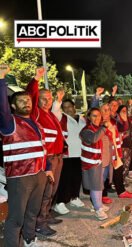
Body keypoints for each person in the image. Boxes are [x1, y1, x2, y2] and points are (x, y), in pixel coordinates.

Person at [0, 66, 52, 246]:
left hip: (39, 174)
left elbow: (43, 149)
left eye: (28, 100)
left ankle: (30, 239)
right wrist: (1, 80)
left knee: (33, 212)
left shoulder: (36, 124)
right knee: (16, 218)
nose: (27, 102)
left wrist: (48, 169)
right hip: (20, 177)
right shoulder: (9, 123)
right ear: (13, 106)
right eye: (21, 101)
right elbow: (2, 108)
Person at [26, 69, 65, 237]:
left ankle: (46, 214)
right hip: (47, 159)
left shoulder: (49, 113)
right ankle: (39, 223)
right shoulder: (35, 113)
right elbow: (31, 96)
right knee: (44, 192)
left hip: (57, 157)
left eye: (49, 98)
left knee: (52, 190)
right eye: (44, 98)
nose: (47, 101)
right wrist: (36, 79)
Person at [52, 90, 86, 215]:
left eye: (69, 107)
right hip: (67, 154)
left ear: (74, 107)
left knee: (77, 178)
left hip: (80, 154)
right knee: (65, 179)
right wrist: (58, 100)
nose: (67, 109)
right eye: (64, 107)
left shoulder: (82, 118)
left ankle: (74, 197)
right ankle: (60, 202)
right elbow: (54, 111)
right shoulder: (62, 117)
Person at [80, 108, 112, 220]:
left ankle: (97, 204)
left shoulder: (97, 128)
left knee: (99, 184)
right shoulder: (86, 130)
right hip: (91, 163)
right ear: (89, 117)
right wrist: (104, 127)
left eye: (98, 116)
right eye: (94, 116)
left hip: (98, 161)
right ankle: (98, 209)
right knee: (95, 186)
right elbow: (94, 139)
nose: (97, 118)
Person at [100, 103, 132, 200]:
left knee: (118, 171)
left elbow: (119, 132)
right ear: (101, 111)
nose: (108, 111)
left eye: (109, 109)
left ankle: (121, 191)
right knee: (105, 174)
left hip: (115, 150)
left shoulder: (113, 121)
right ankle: (103, 195)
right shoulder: (99, 122)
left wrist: (121, 136)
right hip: (105, 153)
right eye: (105, 109)